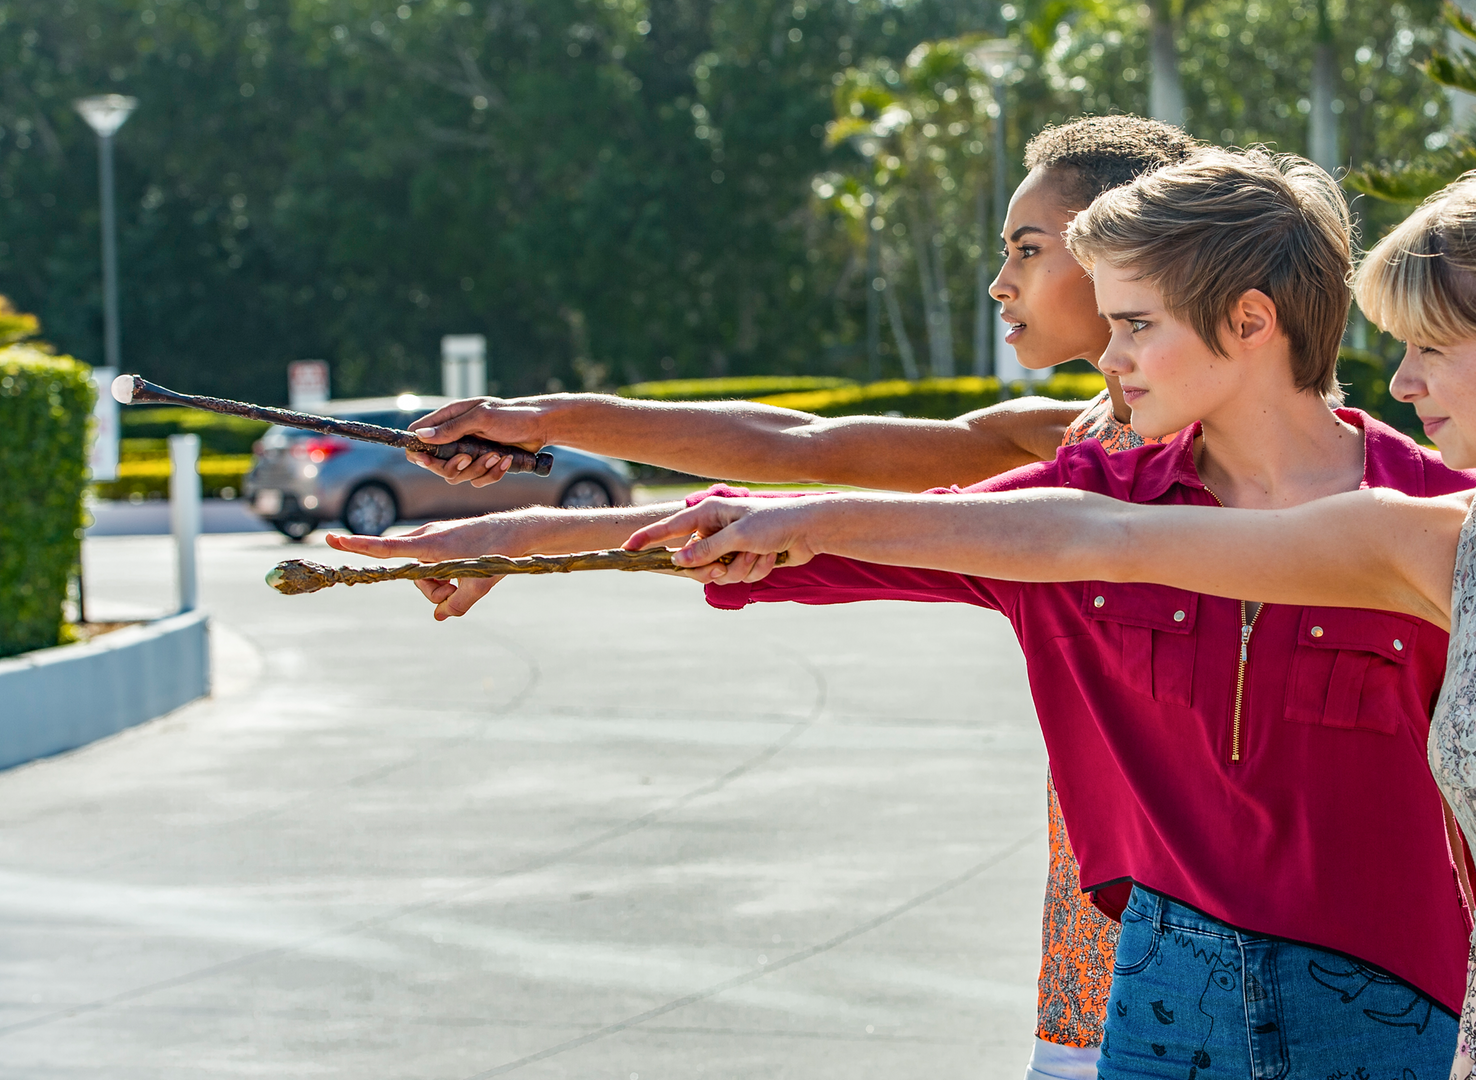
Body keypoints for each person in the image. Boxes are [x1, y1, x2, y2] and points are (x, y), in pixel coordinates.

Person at [634, 160, 1476, 1077]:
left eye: (1428, 348)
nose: (1399, 381)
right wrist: (810, 516)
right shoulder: (1443, 546)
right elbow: (1092, 537)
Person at [331, 115, 1195, 1080]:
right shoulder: (1063, 438)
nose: (1000, 282)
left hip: (1237, 940)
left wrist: (532, 533)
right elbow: (800, 456)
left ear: (1126, 255)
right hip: (1093, 938)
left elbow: (817, 519)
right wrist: (534, 448)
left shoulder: (1235, 471)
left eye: (1027, 252)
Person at [611, 146, 1476, 1079]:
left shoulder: (1452, 520)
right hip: (1161, 998)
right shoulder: (1092, 490)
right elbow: (804, 532)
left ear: (1249, 320)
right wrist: (511, 521)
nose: (1107, 359)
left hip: (1405, 1006)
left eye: (1135, 325)